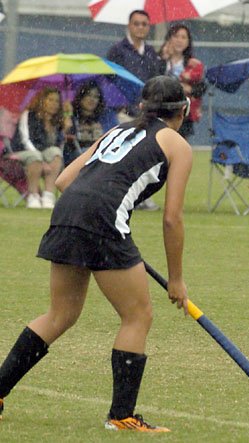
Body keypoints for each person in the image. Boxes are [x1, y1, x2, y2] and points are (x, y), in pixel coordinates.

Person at [0, 76, 193, 431]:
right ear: (182, 111)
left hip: (68, 212)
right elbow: (172, 219)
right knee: (138, 315)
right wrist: (176, 279)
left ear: (142, 107)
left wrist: (97, 218)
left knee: (60, 315)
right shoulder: (177, 145)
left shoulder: (116, 131)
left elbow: (62, 182)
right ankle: (122, 416)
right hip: (104, 221)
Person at [107, 9, 164, 211]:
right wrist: (121, 104)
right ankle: (121, 196)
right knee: (125, 158)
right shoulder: (117, 50)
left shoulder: (151, 54)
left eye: (144, 24)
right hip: (124, 114)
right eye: (136, 23)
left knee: (145, 156)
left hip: (146, 114)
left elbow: (156, 82)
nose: (140, 27)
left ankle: (140, 195)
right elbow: (110, 80)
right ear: (129, 26)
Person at [10, 87, 71, 209]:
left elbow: (58, 146)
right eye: (50, 100)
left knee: (55, 153)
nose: (54, 104)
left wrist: (65, 128)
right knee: (35, 157)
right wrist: (42, 160)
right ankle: (33, 196)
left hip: (45, 153)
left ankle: (48, 195)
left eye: (57, 101)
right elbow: (25, 140)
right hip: (23, 151)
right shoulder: (29, 115)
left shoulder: (57, 120)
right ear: (42, 100)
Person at [160, 23, 205, 140]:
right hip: (161, 110)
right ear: (169, 38)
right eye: (176, 36)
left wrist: (190, 89)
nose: (179, 40)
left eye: (183, 37)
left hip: (183, 113)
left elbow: (201, 88)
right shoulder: (160, 60)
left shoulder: (193, 64)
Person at [63, 82, 119, 167]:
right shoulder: (72, 115)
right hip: (76, 158)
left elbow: (113, 137)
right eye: (88, 95)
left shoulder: (105, 117)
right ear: (81, 97)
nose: (92, 99)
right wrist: (67, 118)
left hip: (101, 155)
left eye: (96, 96)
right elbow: (63, 139)